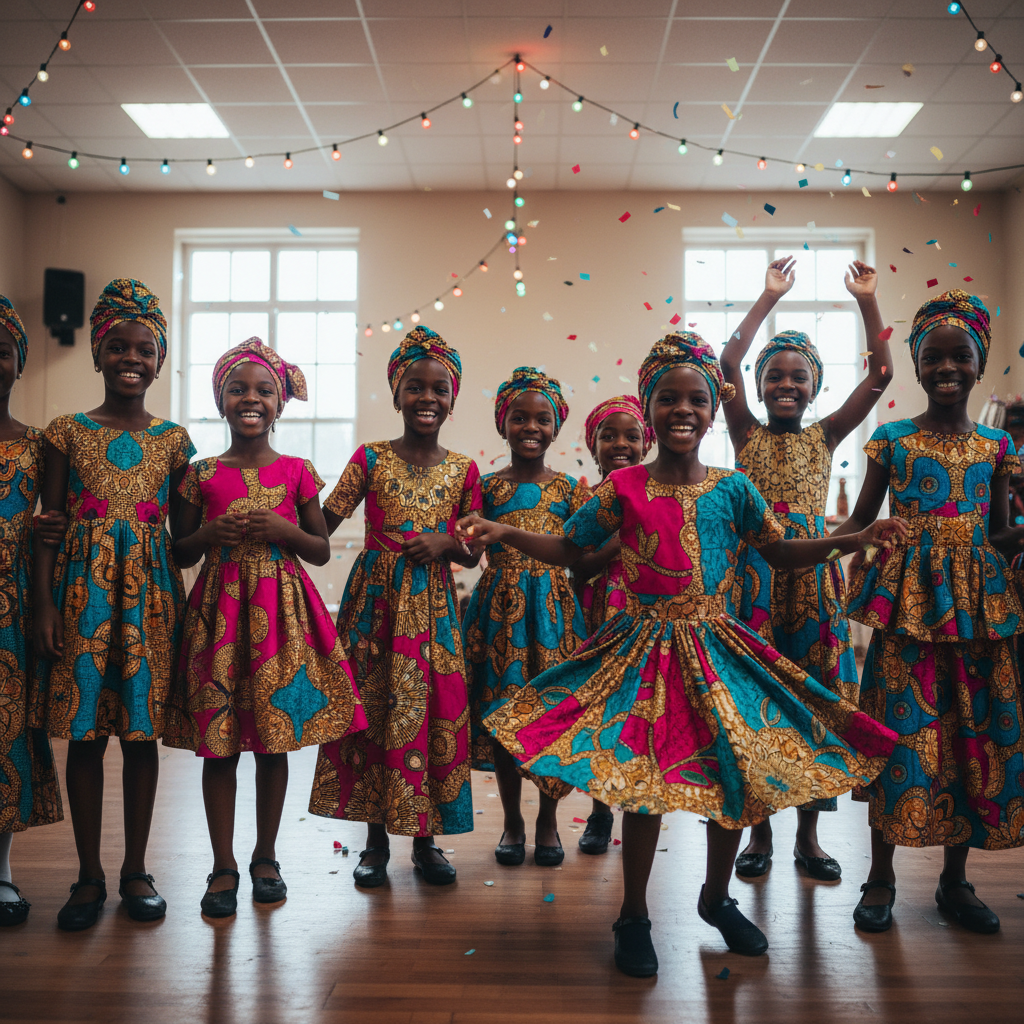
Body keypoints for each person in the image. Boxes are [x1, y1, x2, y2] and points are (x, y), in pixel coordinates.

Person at [456, 333, 902, 977]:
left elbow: (780, 552)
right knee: (642, 786)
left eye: (696, 399)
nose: (683, 410)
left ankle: (716, 899)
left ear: (714, 412)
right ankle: (633, 915)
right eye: (668, 398)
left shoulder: (734, 488)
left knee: (733, 771)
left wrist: (854, 539)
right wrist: (506, 531)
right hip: (643, 650)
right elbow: (575, 553)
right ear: (649, 409)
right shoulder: (623, 486)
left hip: (718, 647)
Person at [832, 290, 1024, 935]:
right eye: (933, 357)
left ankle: (954, 881)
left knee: (970, 734)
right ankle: (880, 877)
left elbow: (998, 533)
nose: (947, 368)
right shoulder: (891, 440)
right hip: (909, 612)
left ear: (979, 363)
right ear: (915, 366)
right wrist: (820, 547)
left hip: (976, 614)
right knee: (899, 734)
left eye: (960, 356)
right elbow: (861, 522)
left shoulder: (998, 445)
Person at [166, 338, 365, 918]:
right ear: (220, 400)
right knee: (220, 744)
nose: (250, 399)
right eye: (237, 389)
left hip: (282, 616)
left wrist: (284, 530)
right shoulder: (199, 474)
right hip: (220, 616)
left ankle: (266, 857)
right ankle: (222, 864)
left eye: (263, 391)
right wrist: (209, 535)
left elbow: (320, 549)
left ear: (279, 404)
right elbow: (180, 550)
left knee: (273, 740)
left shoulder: (297, 471)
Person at [720, 257, 892, 882]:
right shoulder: (745, 434)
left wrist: (867, 301)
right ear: (760, 386)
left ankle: (809, 837)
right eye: (775, 376)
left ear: (814, 388)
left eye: (799, 378)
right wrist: (769, 296)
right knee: (756, 699)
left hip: (815, 581)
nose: (785, 385)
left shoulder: (825, 436)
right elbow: (727, 364)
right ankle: (759, 832)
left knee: (814, 701)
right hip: (755, 581)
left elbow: (881, 374)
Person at [33, 279, 195, 930]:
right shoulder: (65, 432)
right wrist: (45, 607)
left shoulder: (175, 441)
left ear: (160, 361)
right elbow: (49, 525)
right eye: (119, 347)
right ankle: (87, 876)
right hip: (81, 599)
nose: (132, 358)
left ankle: (135, 870)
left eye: (145, 350)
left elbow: (184, 541)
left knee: (140, 736)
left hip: (152, 603)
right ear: (97, 354)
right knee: (86, 737)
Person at [309, 327, 480, 887]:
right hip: (373, 610)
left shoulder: (464, 470)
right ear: (396, 394)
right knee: (375, 713)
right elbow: (323, 523)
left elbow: (473, 551)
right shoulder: (369, 458)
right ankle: (375, 842)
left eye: (439, 389)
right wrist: (282, 496)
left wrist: (445, 541)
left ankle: (425, 842)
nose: (427, 397)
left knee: (430, 713)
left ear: (452, 400)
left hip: (433, 612)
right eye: (414, 387)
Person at [461, 367, 590, 869]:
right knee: (503, 715)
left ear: (556, 428)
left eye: (542, 419)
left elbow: (580, 554)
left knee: (551, 716)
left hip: (555, 613)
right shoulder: (487, 487)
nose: (530, 427)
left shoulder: (570, 490)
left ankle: (547, 820)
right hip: (498, 613)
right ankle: (513, 820)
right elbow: (470, 555)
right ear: (503, 424)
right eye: (519, 417)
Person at [0, 297, 64, 927]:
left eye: (1, 351)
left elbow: (54, 522)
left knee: (6, 732)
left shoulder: (38, 445)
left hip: (10, 610)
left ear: (20, 362)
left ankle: (2, 871)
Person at [571, 395, 652, 855]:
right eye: (609, 436)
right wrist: (624, 539)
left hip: (648, 614)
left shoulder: (658, 492)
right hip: (602, 612)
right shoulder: (590, 500)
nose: (620, 444)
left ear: (647, 444)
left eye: (631, 436)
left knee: (642, 710)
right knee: (603, 711)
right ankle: (600, 813)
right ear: (594, 445)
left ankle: (640, 802)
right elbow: (578, 564)